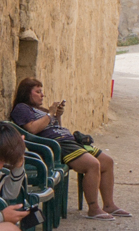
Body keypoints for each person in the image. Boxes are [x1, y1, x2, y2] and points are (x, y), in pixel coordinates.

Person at [10, 78, 130, 220]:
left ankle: (109, 205)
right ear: (26, 93)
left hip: (70, 141)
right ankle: (93, 208)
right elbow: (32, 129)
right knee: (92, 165)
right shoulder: (22, 108)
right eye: (38, 92)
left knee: (107, 162)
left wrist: (57, 115)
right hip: (58, 145)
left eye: (42, 92)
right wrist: (50, 114)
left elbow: (56, 127)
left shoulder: (40, 110)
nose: (42, 95)